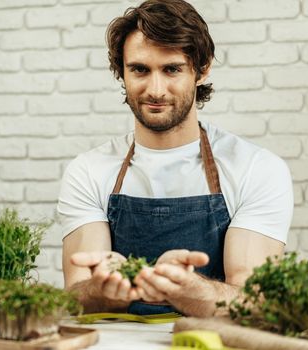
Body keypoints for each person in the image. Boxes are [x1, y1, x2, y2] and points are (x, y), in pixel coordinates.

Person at [57, 0, 293, 316]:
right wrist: (103, 289)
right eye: (140, 69)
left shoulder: (257, 169)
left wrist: (192, 290)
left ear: (202, 68)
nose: (156, 90)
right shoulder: (88, 171)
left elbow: (256, 301)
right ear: (121, 72)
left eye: (172, 69)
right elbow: (76, 296)